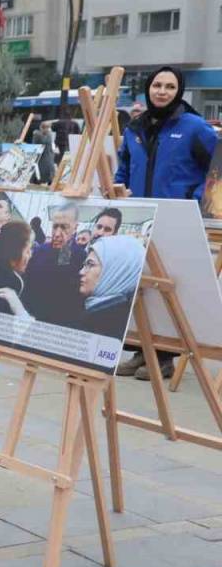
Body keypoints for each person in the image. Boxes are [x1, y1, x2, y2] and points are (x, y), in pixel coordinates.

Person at [115, 66, 217, 379]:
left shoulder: (194, 127)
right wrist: (119, 190)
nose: (162, 91)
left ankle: (165, 357)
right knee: (138, 285)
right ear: (149, 89)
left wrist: (197, 197)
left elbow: (216, 170)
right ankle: (139, 350)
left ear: (179, 91)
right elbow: (124, 166)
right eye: (157, 85)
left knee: (170, 287)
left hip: (177, 218)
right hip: (139, 216)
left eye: (170, 86)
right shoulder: (135, 127)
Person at [19, 203, 86, 325]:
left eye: (64, 227)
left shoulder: (81, 256)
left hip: (57, 325)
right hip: (29, 318)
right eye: (55, 227)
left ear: (75, 227)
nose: (57, 233)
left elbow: (61, 276)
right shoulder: (39, 250)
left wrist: (65, 247)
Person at [76, 235, 144, 335]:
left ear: (118, 271)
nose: (81, 272)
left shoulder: (102, 322)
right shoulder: (101, 310)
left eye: (90, 264)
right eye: (84, 265)